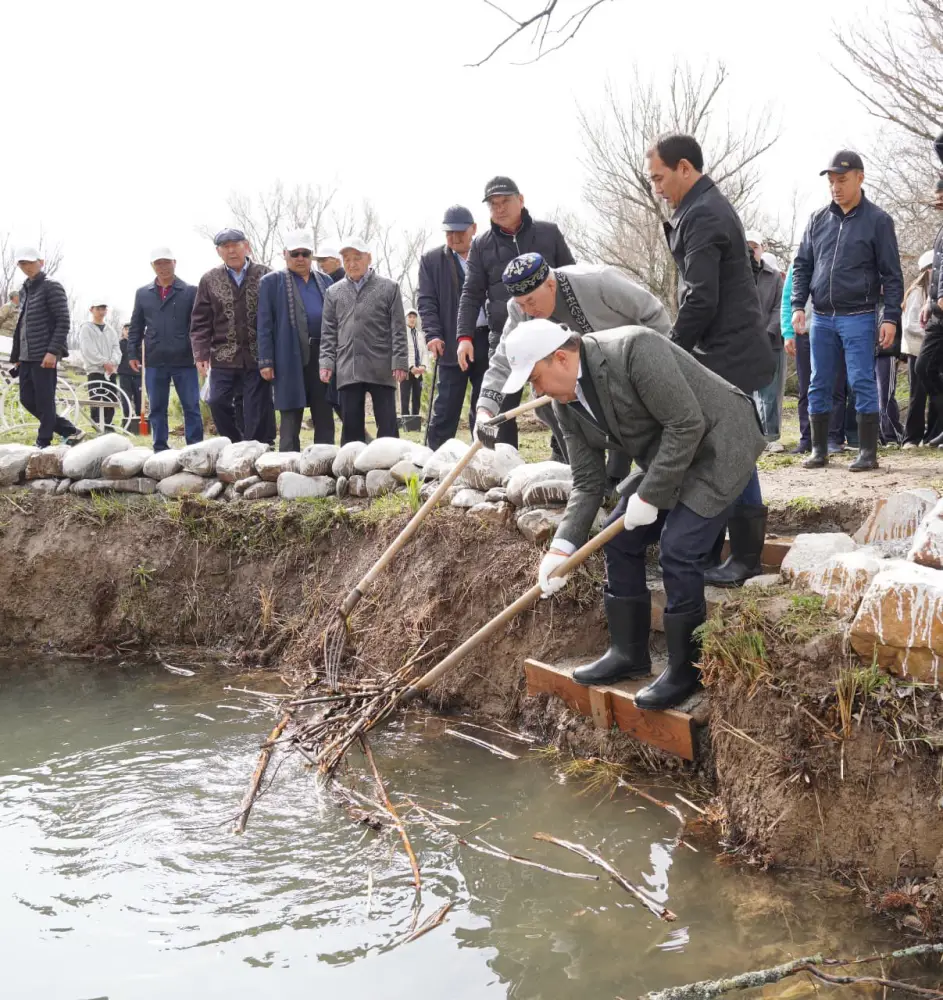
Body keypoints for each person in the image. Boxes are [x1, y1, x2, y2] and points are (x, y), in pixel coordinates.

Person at [508, 320, 765, 710]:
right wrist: (561, 547)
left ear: (560, 357)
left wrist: (649, 495)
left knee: (678, 548)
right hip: (673, 454)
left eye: (536, 378)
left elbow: (687, 423)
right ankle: (628, 654)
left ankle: (685, 670)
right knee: (620, 537)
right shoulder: (565, 405)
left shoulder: (634, 349)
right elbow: (588, 481)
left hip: (720, 441)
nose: (536, 391)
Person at [647, 133, 774, 587]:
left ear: (685, 168)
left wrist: (671, 349)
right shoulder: (695, 210)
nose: (657, 187)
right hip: (720, 349)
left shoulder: (704, 215)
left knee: (735, 449)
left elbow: (701, 298)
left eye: (660, 177)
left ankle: (745, 556)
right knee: (721, 448)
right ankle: (715, 545)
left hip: (730, 351)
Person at [473, 253, 670, 488]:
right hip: (577, 376)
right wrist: (485, 411)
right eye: (521, 303)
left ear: (550, 283)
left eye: (532, 301)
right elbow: (503, 361)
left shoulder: (599, 282)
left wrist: (660, 368)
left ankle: (619, 472)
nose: (527, 310)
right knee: (544, 398)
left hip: (628, 365)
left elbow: (653, 313)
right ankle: (583, 472)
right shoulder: (520, 310)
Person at [791, 150, 904, 471]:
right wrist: (798, 305)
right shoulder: (817, 220)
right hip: (822, 317)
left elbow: (892, 275)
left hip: (860, 315)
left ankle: (867, 452)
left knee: (862, 381)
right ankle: (819, 450)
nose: (836, 187)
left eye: (842, 180)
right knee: (818, 382)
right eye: (831, 181)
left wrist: (891, 317)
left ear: (859, 177)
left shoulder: (879, 221)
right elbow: (802, 266)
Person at [456, 175, 575, 448]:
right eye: (493, 204)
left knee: (561, 393)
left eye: (505, 201)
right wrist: (464, 337)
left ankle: (564, 452)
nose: (499, 208)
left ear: (520, 200)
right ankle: (503, 459)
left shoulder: (549, 233)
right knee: (503, 398)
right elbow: (471, 293)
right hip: (506, 333)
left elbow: (571, 275)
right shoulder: (481, 244)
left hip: (554, 331)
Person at [319, 238, 408, 443]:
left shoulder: (389, 287)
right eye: (347, 259)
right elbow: (329, 331)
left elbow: (398, 329)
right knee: (351, 427)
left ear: (369, 258)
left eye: (357, 258)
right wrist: (326, 362)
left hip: (381, 365)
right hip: (348, 365)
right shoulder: (333, 292)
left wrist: (400, 362)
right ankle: (350, 471)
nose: (352, 263)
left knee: (387, 425)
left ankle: (390, 467)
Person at [190, 228, 273, 444]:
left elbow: (277, 316)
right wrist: (201, 353)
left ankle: (255, 449)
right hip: (223, 355)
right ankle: (234, 442)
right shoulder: (209, 279)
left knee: (255, 408)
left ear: (246, 246)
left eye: (235, 245)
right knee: (216, 401)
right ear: (219, 251)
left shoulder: (266, 275)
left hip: (258, 356)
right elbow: (200, 321)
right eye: (225, 247)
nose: (231, 251)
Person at [419, 205, 490, 449]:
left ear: (474, 229)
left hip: (487, 340)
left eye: (460, 232)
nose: (454, 237)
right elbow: (426, 301)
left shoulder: (489, 253)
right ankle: (434, 462)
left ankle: (483, 460)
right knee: (445, 408)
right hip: (450, 342)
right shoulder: (432, 260)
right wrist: (433, 334)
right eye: (449, 232)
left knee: (484, 406)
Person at [257, 230, 335, 452]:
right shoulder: (271, 282)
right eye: (295, 253)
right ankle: (287, 466)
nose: (300, 258)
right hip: (288, 355)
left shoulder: (325, 280)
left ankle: (324, 461)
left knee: (324, 413)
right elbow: (264, 324)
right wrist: (265, 361)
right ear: (285, 254)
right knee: (290, 416)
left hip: (321, 355)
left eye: (305, 253)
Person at [128, 247, 203, 451]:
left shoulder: (190, 291)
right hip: (155, 359)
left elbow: (199, 326)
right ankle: (160, 447)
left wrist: (201, 353)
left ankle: (195, 448)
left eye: (166, 262)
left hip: (185, 359)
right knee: (157, 408)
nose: (163, 267)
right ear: (153, 266)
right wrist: (132, 353)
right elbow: (136, 325)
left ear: (174, 263)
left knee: (191, 406)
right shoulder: (143, 293)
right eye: (158, 263)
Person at [9, 247, 83, 447]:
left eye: (30, 262)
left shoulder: (52, 286)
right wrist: (17, 354)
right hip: (25, 356)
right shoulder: (24, 289)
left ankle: (44, 441)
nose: (26, 267)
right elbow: (21, 324)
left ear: (40, 262)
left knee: (44, 400)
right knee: (27, 399)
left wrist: (53, 352)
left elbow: (63, 322)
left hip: (44, 354)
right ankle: (69, 430)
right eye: (22, 263)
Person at [744, 234, 786, 451]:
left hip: (771, 341)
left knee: (770, 392)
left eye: (755, 246)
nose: (751, 250)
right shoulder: (735, 275)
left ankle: (771, 437)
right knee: (744, 393)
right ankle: (749, 437)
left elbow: (780, 307)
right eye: (747, 246)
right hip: (743, 342)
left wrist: (768, 332)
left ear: (762, 248)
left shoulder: (775, 276)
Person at [916, 158, 943, 449]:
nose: (938, 204)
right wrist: (929, 300)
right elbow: (936, 268)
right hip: (937, 311)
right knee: (924, 367)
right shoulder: (940, 231)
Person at [902, 249, 939, 447]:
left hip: (934, 351)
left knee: (935, 394)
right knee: (917, 395)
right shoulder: (917, 293)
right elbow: (911, 325)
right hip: (917, 349)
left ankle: (932, 435)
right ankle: (911, 437)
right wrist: (933, 336)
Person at [77, 302, 121, 431]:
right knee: (97, 398)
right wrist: (103, 362)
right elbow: (88, 349)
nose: (101, 312)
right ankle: (97, 424)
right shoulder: (86, 328)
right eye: (98, 309)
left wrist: (112, 362)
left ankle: (108, 424)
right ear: (92, 310)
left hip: (110, 371)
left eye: (104, 309)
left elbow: (116, 348)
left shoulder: (110, 330)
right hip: (95, 370)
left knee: (111, 398)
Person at [400, 308, 427, 417]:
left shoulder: (420, 334)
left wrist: (423, 366)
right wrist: (411, 366)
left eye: (414, 317)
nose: (412, 319)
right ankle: (405, 420)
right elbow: (402, 351)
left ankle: (415, 420)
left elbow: (424, 351)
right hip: (406, 371)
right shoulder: (401, 333)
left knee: (417, 396)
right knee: (405, 396)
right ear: (406, 318)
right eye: (409, 317)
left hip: (418, 371)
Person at [117, 323, 142, 426]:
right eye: (126, 329)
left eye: (130, 329)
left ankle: (140, 421)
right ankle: (127, 420)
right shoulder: (120, 344)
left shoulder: (140, 344)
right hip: (124, 375)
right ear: (123, 331)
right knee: (125, 398)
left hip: (138, 375)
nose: (128, 331)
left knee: (139, 399)